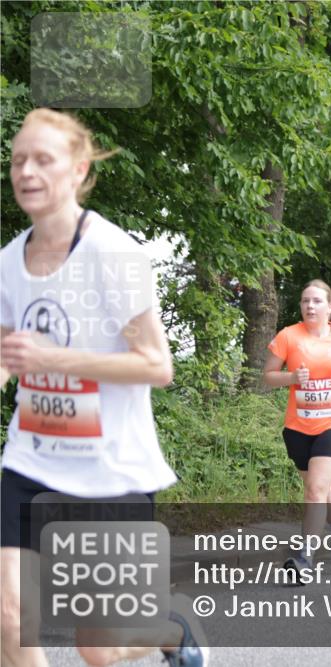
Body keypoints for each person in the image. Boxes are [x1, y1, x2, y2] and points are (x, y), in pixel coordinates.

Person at [1, 109, 207, 666]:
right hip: (31, 459)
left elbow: (156, 365)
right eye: (19, 159)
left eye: (44, 159)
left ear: (78, 168)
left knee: (100, 647)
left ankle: (171, 631)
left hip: (109, 470)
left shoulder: (113, 253)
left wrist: (54, 358)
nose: (27, 171)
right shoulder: (6, 263)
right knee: (9, 617)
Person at [263, 280, 331, 578]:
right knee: (317, 490)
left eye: (316, 301)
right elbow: (269, 376)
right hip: (298, 427)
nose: (309, 306)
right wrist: (292, 377)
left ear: (330, 307)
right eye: (305, 301)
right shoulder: (288, 336)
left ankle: (304, 559)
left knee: (316, 488)